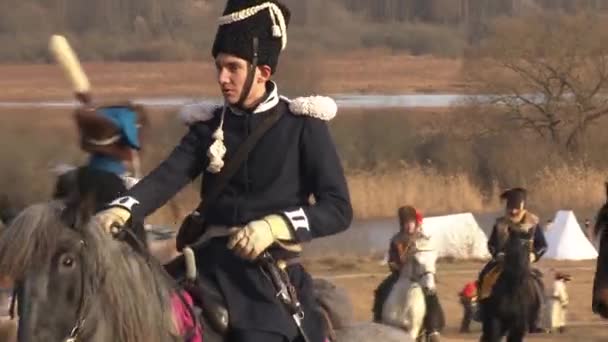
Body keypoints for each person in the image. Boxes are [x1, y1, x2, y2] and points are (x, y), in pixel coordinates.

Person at [92, 1, 353, 341]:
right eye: (218, 67)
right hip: (205, 265)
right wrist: (121, 209)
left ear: (263, 72)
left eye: (233, 67)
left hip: (266, 276)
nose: (222, 78)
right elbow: (166, 177)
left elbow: (338, 209)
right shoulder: (208, 127)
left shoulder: (302, 125)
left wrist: (274, 226)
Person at [477, 187, 548, 333]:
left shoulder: (533, 223)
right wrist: (497, 254)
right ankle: (481, 311)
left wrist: (534, 255)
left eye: (516, 208)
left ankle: (535, 320)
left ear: (523, 207)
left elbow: (542, 245)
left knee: (538, 284)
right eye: (510, 208)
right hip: (501, 262)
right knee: (484, 276)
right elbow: (491, 244)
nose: (513, 211)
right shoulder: (500, 223)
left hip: (524, 263)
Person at [376, 206, 444, 341]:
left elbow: (429, 255)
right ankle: (377, 320)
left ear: (415, 222)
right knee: (381, 290)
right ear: (402, 224)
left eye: (411, 222)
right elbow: (391, 260)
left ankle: (432, 329)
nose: (409, 226)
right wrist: (395, 264)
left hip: (421, 274)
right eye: (406, 223)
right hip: (400, 274)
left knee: (431, 294)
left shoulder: (423, 237)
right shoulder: (396, 240)